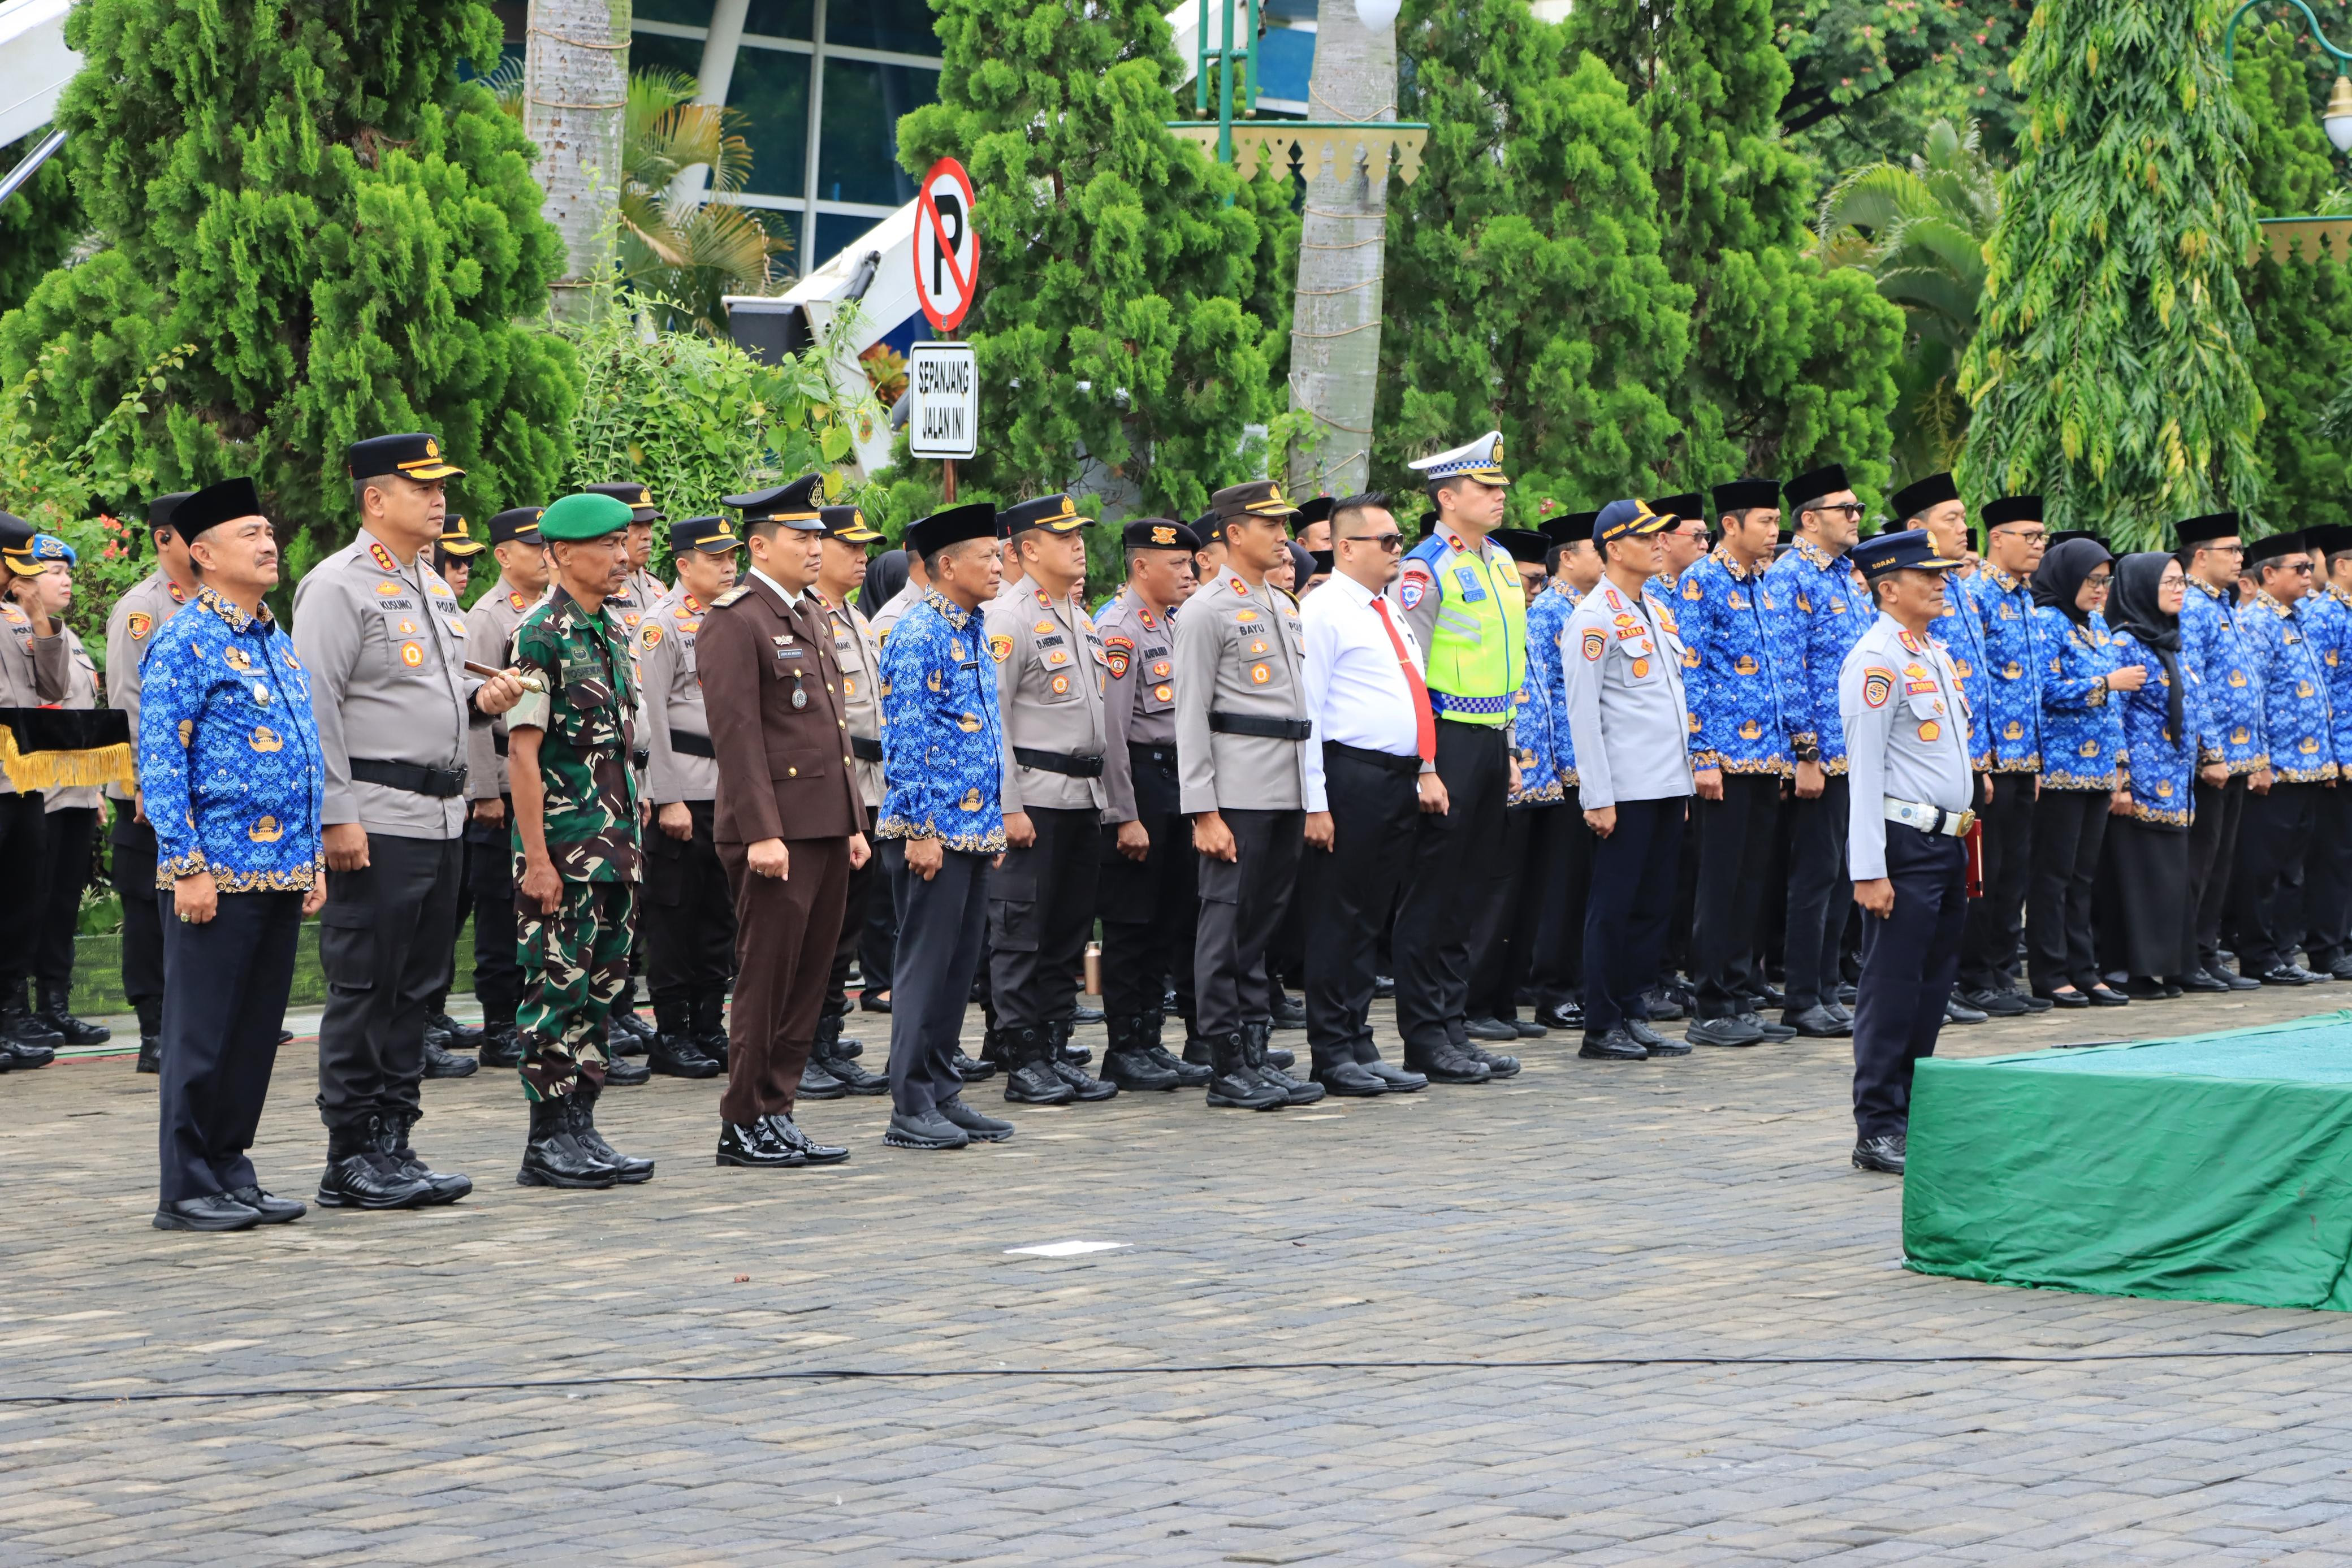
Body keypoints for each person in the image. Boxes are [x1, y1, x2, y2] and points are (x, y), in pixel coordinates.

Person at [295, 432, 524, 1210]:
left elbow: (426, 694)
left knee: (418, 988)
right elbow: (317, 708)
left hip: (441, 813)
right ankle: (348, 1152)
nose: (439, 499)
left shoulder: (432, 584)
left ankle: (395, 1139)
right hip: (377, 816)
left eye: (441, 486)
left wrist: (478, 702)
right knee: (367, 983)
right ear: (374, 499)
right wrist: (335, 816)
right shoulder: (338, 586)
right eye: (421, 487)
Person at [139, 477, 327, 1230]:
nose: (268, 541)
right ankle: (185, 1185)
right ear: (204, 554)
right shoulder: (184, 638)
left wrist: (309, 856)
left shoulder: (272, 637)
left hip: (279, 867)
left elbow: (304, 753)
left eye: (268, 529)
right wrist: (186, 864)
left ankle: (230, 1168)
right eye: (250, 533)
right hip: (214, 873)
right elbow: (159, 758)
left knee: (253, 1034)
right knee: (202, 1033)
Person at [698, 476, 870, 1166]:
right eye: (801, 537)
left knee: (809, 975)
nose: (815, 547)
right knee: (768, 975)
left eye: (817, 536)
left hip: (824, 823)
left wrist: (853, 820)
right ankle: (742, 1118)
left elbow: (831, 731)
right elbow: (737, 738)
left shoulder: (809, 614)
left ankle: (778, 1106)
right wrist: (762, 830)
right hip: (775, 832)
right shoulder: (734, 619)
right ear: (759, 544)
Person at [504, 491, 662, 1189]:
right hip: (564, 851)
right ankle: (546, 1137)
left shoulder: (610, 630)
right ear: (564, 554)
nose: (623, 557)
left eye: (625, 544)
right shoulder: (541, 633)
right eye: (607, 545)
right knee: (555, 992)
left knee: (603, 990)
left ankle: (583, 1125)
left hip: (615, 847)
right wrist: (536, 859)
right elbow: (524, 756)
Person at [1174, 479, 1325, 1110]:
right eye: (1269, 524)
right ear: (1234, 532)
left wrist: (1312, 795)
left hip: (1283, 783)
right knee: (1225, 926)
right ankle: (1224, 1060)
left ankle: (1256, 1053)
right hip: (1235, 790)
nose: (1282, 534)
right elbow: (1189, 715)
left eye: (1283, 523)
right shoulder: (1206, 610)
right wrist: (1202, 809)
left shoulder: (1283, 605)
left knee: (1260, 924)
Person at [877, 501, 1019, 1149]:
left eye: (998, 554)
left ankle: (941, 1089)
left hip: (972, 827)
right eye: (987, 555)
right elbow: (904, 738)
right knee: (925, 967)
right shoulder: (919, 633)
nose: (997, 564)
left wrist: (987, 825)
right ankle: (909, 1103)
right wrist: (921, 828)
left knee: (958, 969)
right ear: (946, 564)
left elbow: (981, 735)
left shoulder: (971, 626)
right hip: (929, 829)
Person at [1839, 529, 1974, 1176]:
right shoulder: (1875, 659)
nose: (1940, 582)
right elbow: (1862, 770)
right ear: (1887, 588)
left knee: (1931, 986)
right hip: (1902, 841)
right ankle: (1878, 1123)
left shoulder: (1933, 653)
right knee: (1891, 987)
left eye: (1942, 573)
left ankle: (1913, 1110)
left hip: (1946, 839)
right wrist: (1867, 867)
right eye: (1927, 574)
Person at [1392, 432, 1525, 1083]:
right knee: (1433, 894)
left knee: (1469, 890)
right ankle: (1424, 1035)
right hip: (1443, 737)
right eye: (1486, 488)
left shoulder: (1498, 560)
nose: (1500, 497)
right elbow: (1408, 669)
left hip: (1489, 737)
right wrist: (1424, 762)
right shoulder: (1424, 568)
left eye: (1500, 487)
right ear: (1447, 497)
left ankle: (1452, 1025)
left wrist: (1510, 745)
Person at [1296, 493, 1437, 1098]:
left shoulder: (1386, 608)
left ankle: (1358, 1039)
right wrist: (1315, 801)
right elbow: (1308, 708)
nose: (1397, 550)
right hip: (1348, 774)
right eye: (1385, 541)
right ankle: (1330, 1048)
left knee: (1370, 916)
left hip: (1395, 775)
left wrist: (1425, 767)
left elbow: (1410, 690)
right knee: (1339, 914)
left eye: (1398, 539)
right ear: (1345, 546)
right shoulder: (1324, 609)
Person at [982, 492, 1119, 1105]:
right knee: (1020, 932)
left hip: (1081, 796)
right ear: (1027, 549)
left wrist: (1113, 803)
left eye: (1079, 534)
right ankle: (1021, 1056)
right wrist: (1008, 806)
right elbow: (994, 720)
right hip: (1034, 799)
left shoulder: (1079, 615)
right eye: (1063, 536)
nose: (1078, 544)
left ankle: (1054, 1046)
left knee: (1065, 931)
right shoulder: (1008, 617)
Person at [1559, 499, 1696, 1062]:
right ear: (1613, 548)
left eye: (1662, 536)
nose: (1660, 544)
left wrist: (1683, 782)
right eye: (1648, 538)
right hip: (1624, 788)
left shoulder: (1656, 610)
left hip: (1665, 783)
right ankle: (1601, 1022)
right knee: (1612, 906)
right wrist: (1596, 794)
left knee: (1652, 905)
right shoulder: (1591, 618)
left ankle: (1634, 1010)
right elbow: (1583, 714)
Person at [1095, 518, 1214, 1090]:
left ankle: (1150, 1039)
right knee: (1130, 923)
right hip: (1140, 781)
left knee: (1167, 918)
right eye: (1176, 564)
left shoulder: (1169, 623)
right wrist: (1125, 814)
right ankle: (1124, 1046)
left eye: (1190, 564)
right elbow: (1112, 733)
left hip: (1173, 781)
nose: (1187, 573)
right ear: (1140, 565)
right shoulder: (1118, 628)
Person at [1676, 478, 1796, 1047]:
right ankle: (1711, 1001)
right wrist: (1701, 756)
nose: (1774, 532)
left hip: (1764, 757)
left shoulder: (1764, 585)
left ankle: (1742, 994)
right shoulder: (1700, 581)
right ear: (1731, 525)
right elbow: (1691, 670)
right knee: (1719, 883)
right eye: (1765, 522)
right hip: (1723, 756)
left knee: (1752, 879)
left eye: (1776, 523)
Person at [1761, 465, 1874, 1038]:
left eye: (1856, 509)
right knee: (1813, 876)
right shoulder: (1790, 577)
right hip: (1820, 752)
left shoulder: (1843, 578)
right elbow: (1787, 667)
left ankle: (1827, 990)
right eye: (1844, 509)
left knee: (1839, 876)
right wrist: (1804, 748)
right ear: (1809, 519)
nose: (1855, 517)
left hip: (1855, 748)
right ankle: (1801, 996)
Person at [634, 514, 742, 1081]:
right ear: (682, 564)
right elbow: (650, 715)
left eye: (731, 556)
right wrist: (668, 796)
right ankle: (671, 1029)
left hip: (727, 792)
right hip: (684, 793)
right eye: (715, 557)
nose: (728, 566)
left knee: (718, 915)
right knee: (674, 914)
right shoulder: (662, 624)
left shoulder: (732, 616)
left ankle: (707, 1024)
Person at [1892, 474, 1994, 1026]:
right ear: (1916, 529)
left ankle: (1946, 985)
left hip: (1956, 758)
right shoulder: (1896, 603)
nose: (1962, 526)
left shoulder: (1956, 587)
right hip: (1907, 784)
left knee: (1960, 888)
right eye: (1950, 518)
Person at [105, 491, 198, 1074]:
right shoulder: (143, 608)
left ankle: (196, 1016)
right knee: (148, 905)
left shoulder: (213, 601)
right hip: (151, 791)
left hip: (204, 790)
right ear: (164, 538)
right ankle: (155, 1027)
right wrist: (147, 779)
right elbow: (129, 703)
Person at [1463, 527, 1564, 1042]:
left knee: (1526, 899)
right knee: (1494, 895)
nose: (1534, 590)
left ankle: (1504, 1001)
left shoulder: (1533, 620)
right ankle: (1475, 1001)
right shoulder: (1487, 621)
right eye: (1526, 580)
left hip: (1542, 777)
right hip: (1504, 775)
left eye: (1540, 581)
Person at [1953, 495, 2052, 1016]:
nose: (2039, 546)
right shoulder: (1976, 595)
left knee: (2014, 871)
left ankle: (2000, 972)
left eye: (2043, 537)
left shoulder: (2026, 598)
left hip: (2024, 758)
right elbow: (1971, 683)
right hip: (1990, 758)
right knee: (1983, 873)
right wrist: (1980, 760)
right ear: (1997, 539)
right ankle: (1975, 976)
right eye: (2030, 536)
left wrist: (2033, 759)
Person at [460, 506, 549, 1071]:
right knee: (497, 905)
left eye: (547, 545)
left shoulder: (548, 611)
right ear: (502, 555)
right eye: (531, 545)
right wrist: (486, 791)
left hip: (538, 779)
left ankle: (535, 1009)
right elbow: (471, 712)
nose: (543, 553)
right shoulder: (488, 617)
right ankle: (497, 1022)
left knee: (536, 904)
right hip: (499, 773)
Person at [2025, 537, 2132, 1007]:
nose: (2100, 591)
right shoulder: (2045, 622)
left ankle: (2084, 969)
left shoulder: (2098, 627)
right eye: (2092, 581)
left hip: (2097, 768)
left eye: (2106, 582)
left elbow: (2116, 709)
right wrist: (2103, 683)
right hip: (2061, 769)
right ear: (2069, 577)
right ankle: (2050, 971)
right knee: (2054, 875)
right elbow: (2045, 690)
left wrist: (2120, 766)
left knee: (2083, 875)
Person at [808, 497, 892, 1094]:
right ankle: (803, 1046)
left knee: (846, 927)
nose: (862, 557)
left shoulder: (859, 622)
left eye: (866, 547)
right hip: (826, 790)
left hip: (870, 786)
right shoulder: (802, 617)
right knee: (815, 928)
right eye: (850, 546)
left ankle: (828, 1037)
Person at [581, 481, 666, 1051]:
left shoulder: (650, 594)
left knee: (629, 912)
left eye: (640, 530)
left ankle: (622, 1007)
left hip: (628, 782)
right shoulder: (553, 619)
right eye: (626, 531)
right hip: (579, 800)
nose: (637, 540)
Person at [2231, 531, 2336, 985]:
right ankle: (2259, 953)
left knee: (2292, 867)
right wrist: (2259, 760)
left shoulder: (2295, 619)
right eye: (2300, 568)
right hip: (2276, 769)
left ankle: (2284, 952)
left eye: (2310, 568)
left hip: (2309, 767)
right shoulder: (2258, 622)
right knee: (2263, 867)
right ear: (2268, 574)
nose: (2309, 575)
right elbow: (2251, 698)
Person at [24, 535, 112, 1049]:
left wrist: (96, 788)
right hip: (37, 790)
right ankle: (22, 1008)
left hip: (76, 790)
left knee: (62, 903)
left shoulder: (70, 637)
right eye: (53, 572)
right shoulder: (20, 632)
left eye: (67, 572)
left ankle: (54, 1005)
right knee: (29, 902)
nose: (65, 580)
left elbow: (82, 719)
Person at [2174, 512, 2267, 993]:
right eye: (2231, 550)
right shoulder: (2191, 605)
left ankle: (2207, 952)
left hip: (2238, 758)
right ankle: (2189, 954)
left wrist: (2255, 755)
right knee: (2201, 861)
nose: (2240, 558)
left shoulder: (2223, 604)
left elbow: (2245, 687)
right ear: (2202, 556)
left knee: (2221, 862)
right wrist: (2211, 753)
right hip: (2210, 761)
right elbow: (2194, 686)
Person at [2104, 552, 2204, 994]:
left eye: (2182, 581)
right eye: (2168, 582)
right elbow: (2114, 716)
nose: (2179, 589)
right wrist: (2121, 780)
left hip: (2176, 783)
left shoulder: (2168, 641)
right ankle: (2136, 970)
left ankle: (2175, 964)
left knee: (2171, 878)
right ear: (2142, 588)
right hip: (2141, 785)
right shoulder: (2125, 644)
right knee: (2141, 879)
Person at [1523, 514, 1604, 1031]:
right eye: (1595, 550)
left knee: (1585, 885)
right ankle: (1553, 988)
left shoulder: (1589, 608)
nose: (1605, 557)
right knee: (1562, 886)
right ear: (1567, 559)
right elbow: (1547, 697)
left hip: (1593, 766)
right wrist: (1559, 765)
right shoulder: (1550, 610)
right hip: (1565, 768)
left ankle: (1576, 982)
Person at [421, 512, 490, 1067]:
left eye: (469, 562)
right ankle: (415, 1025)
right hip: (403, 794)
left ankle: (430, 1009)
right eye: (454, 559)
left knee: (445, 915)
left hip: (449, 789)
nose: (462, 570)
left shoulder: (446, 608)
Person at [0, 510, 69, 1062]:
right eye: (14, 568)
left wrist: (39, 616)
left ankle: (10, 1017)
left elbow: (52, 685)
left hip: (23, 778)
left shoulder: (17, 617)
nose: (19, 578)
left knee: (22, 900)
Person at [2301, 525, 2352, 978]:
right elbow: (2320, 693)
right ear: (2342, 565)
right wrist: (2334, 756)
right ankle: (2327, 946)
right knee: (2333, 854)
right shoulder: (2324, 614)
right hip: (2341, 752)